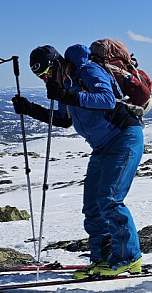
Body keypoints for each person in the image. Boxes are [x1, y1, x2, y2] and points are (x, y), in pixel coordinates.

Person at [13, 44, 144, 278]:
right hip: (102, 146)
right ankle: (102, 260)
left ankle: (128, 259)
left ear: (57, 63)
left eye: (45, 73)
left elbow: (107, 100)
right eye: (39, 76)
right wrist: (30, 109)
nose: (44, 79)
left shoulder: (88, 71)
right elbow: (64, 119)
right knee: (93, 207)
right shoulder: (65, 83)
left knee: (110, 200)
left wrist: (67, 95)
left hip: (124, 137)